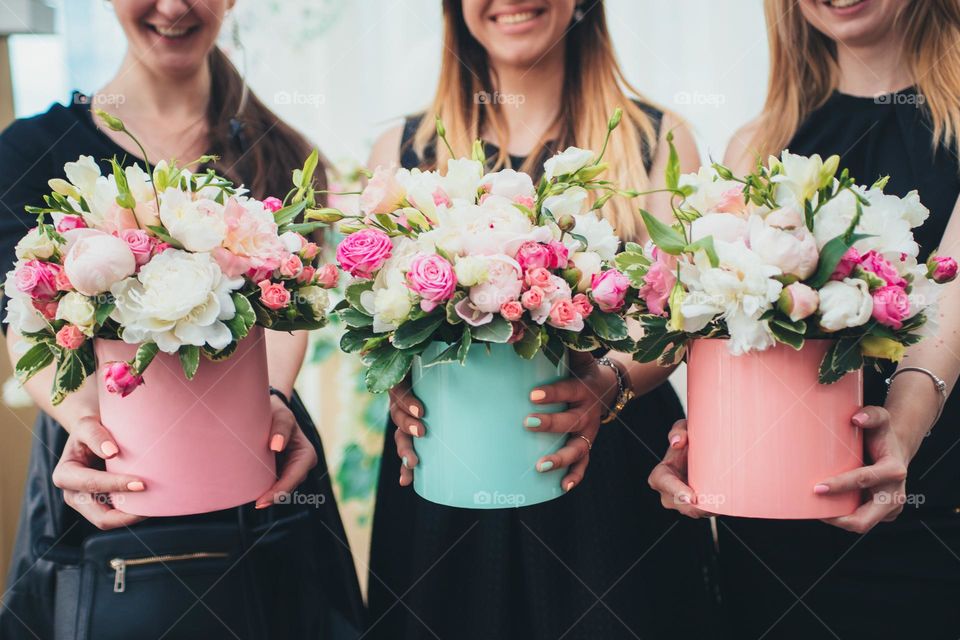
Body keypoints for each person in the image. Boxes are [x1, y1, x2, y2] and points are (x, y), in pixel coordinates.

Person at [0, 1, 363, 637]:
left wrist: (271, 400)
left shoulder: (279, 152)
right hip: (103, 463)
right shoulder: (30, 151)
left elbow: (286, 316)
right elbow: (30, 322)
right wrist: (88, 426)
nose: (173, 7)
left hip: (260, 462)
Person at [364, 1, 718, 638]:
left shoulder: (658, 139)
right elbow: (378, 317)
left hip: (614, 476)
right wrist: (399, 386)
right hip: (447, 471)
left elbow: (686, 313)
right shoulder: (402, 150)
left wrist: (610, 380)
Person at [649, 1, 960, 638]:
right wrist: (641, 400)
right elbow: (707, 316)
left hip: (932, 510)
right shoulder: (757, 142)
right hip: (770, 523)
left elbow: (949, 308)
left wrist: (897, 434)